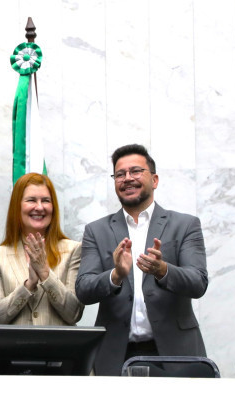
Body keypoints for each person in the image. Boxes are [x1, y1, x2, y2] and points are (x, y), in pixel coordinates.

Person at [76, 144, 208, 376]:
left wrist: (163, 270)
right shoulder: (96, 231)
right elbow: (84, 289)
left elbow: (198, 282)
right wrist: (115, 276)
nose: (127, 178)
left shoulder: (185, 225)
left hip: (175, 352)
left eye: (136, 171)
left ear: (154, 180)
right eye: (120, 174)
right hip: (116, 354)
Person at [0, 173, 84, 327]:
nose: (39, 207)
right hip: (13, 350)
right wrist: (29, 285)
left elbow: (74, 314)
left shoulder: (73, 250)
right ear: (17, 206)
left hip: (59, 350)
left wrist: (45, 273)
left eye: (46, 200)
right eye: (31, 200)